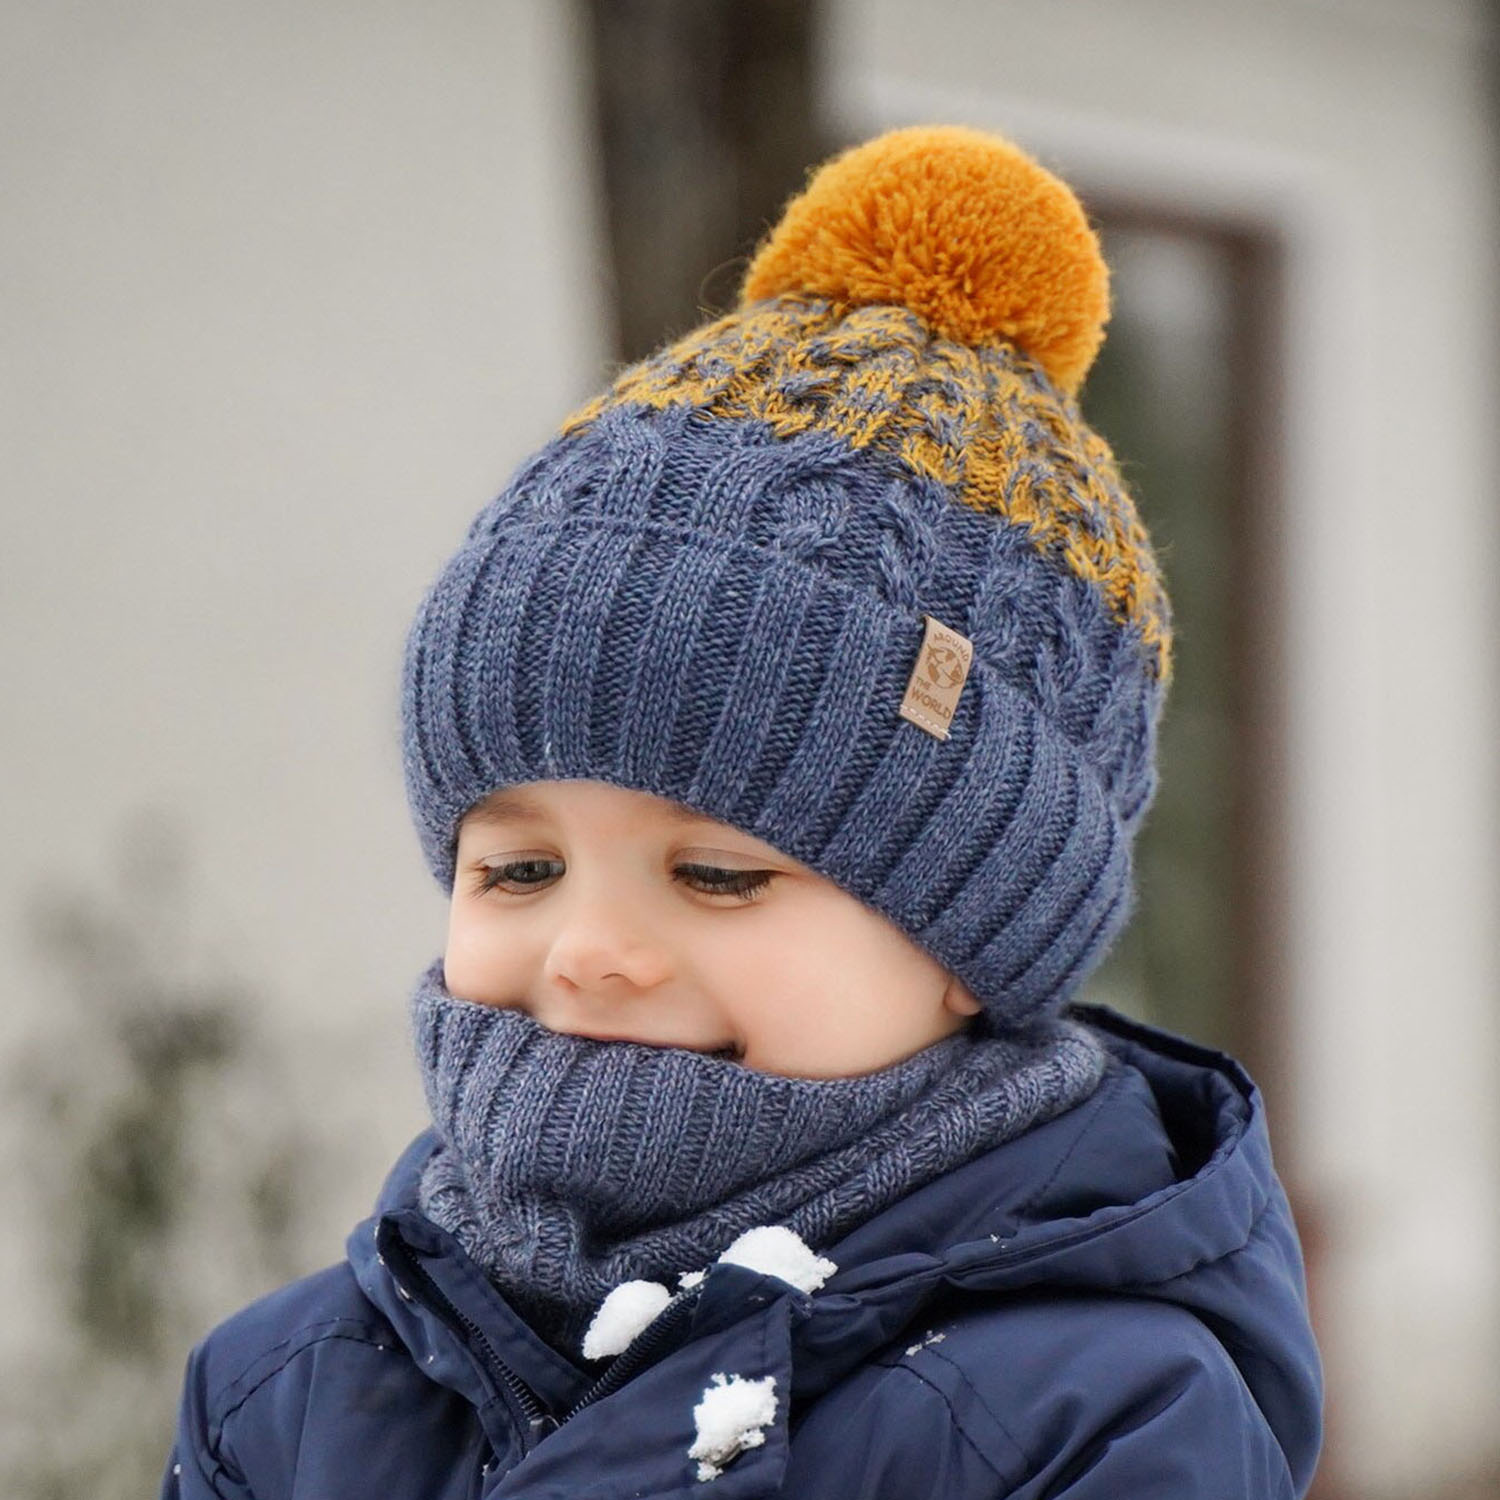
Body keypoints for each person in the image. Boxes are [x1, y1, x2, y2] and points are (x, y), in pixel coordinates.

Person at [162, 124, 1322, 1497]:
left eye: (716, 875)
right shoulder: (288, 1390)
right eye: (519, 869)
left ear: (973, 947)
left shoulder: (1092, 1417)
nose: (590, 948)